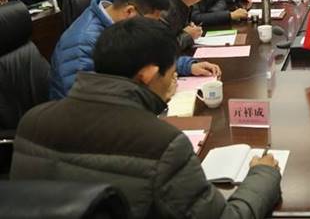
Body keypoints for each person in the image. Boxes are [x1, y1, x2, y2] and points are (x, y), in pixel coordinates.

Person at [13, 18, 281, 219]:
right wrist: (263, 174)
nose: (174, 81)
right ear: (148, 75)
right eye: (172, 74)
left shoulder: (32, 121)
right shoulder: (163, 143)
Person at [49, 0, 219, 99]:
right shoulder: (82, 43)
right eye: (151, 21)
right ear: (130, 11)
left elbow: (149, 56)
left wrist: (187, 66)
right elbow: (88, 104)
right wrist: (153, 96)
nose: (153, 27)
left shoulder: (124, 25)